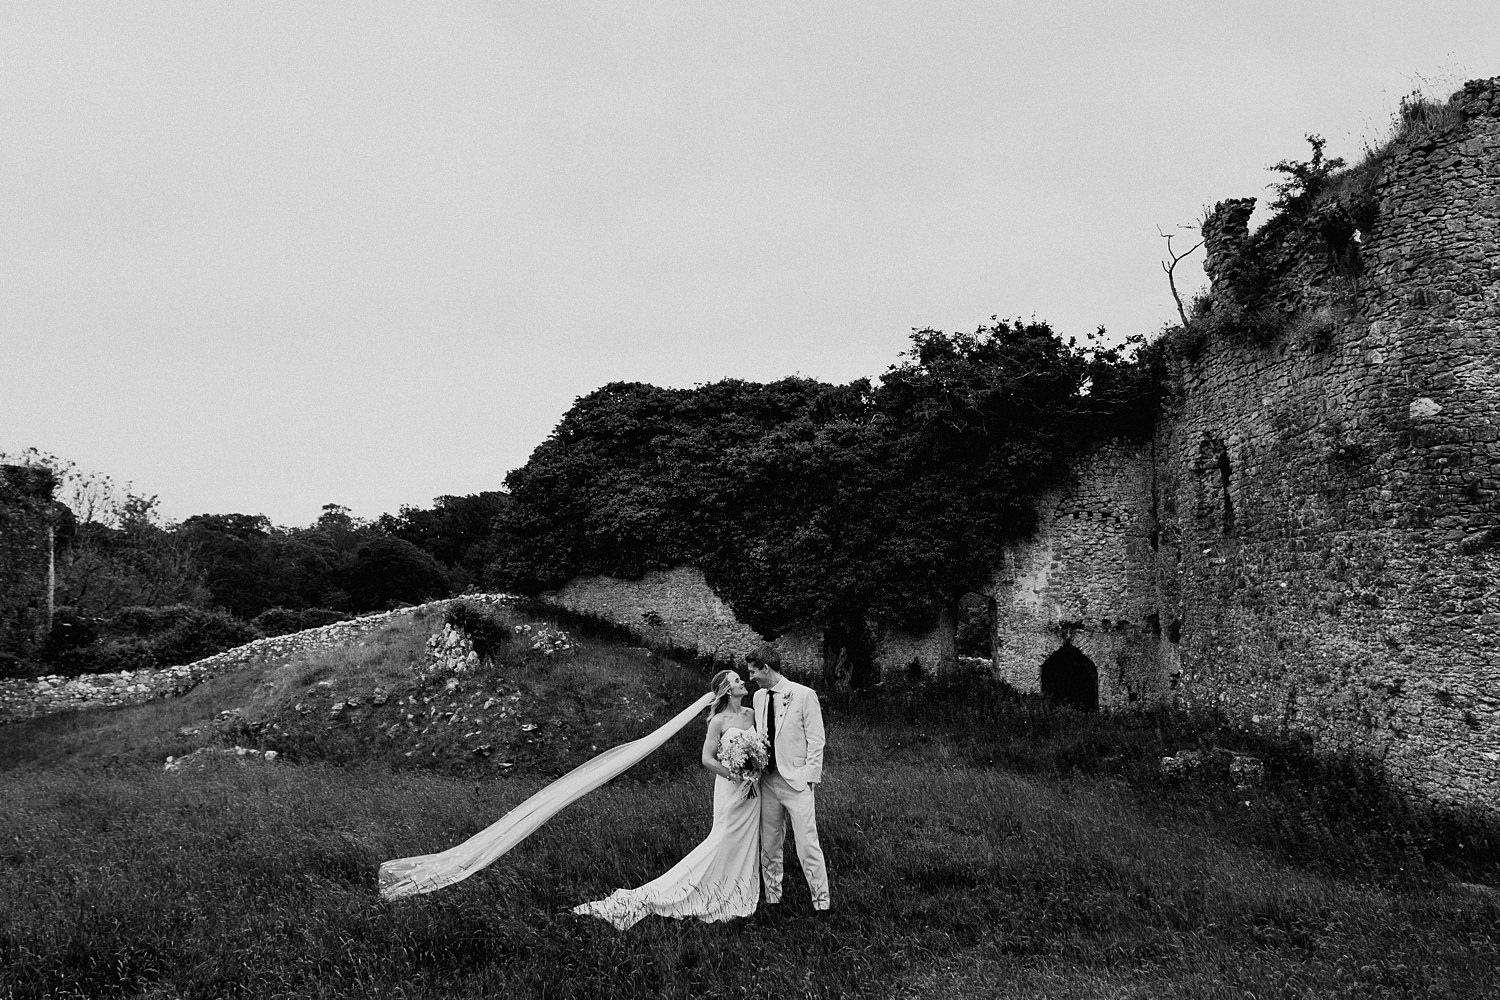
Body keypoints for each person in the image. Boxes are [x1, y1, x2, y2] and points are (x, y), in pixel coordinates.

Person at [571, 669, 762, 929]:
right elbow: (707, 759)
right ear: (728, 690)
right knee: (722, 838)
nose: (743, 682)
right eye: (737, 681)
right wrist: (734, 774)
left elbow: (760, 747)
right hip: (731, 786)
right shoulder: (718, 720)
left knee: (745, 840)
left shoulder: (751, 714)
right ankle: (677, 891)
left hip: (753, 788)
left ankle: (735, 887)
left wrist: (756, 765)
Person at [747, 644, 830, 911]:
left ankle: (821, 902)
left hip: (797, 783)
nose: (750, 678)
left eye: (752, 672)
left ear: (766, 668)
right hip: (768, 782)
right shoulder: (759, 698)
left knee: (808, 844)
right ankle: (773, 897)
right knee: (769, 844)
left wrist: (810, 777)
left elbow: (817, 740)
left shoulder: (804, 695)